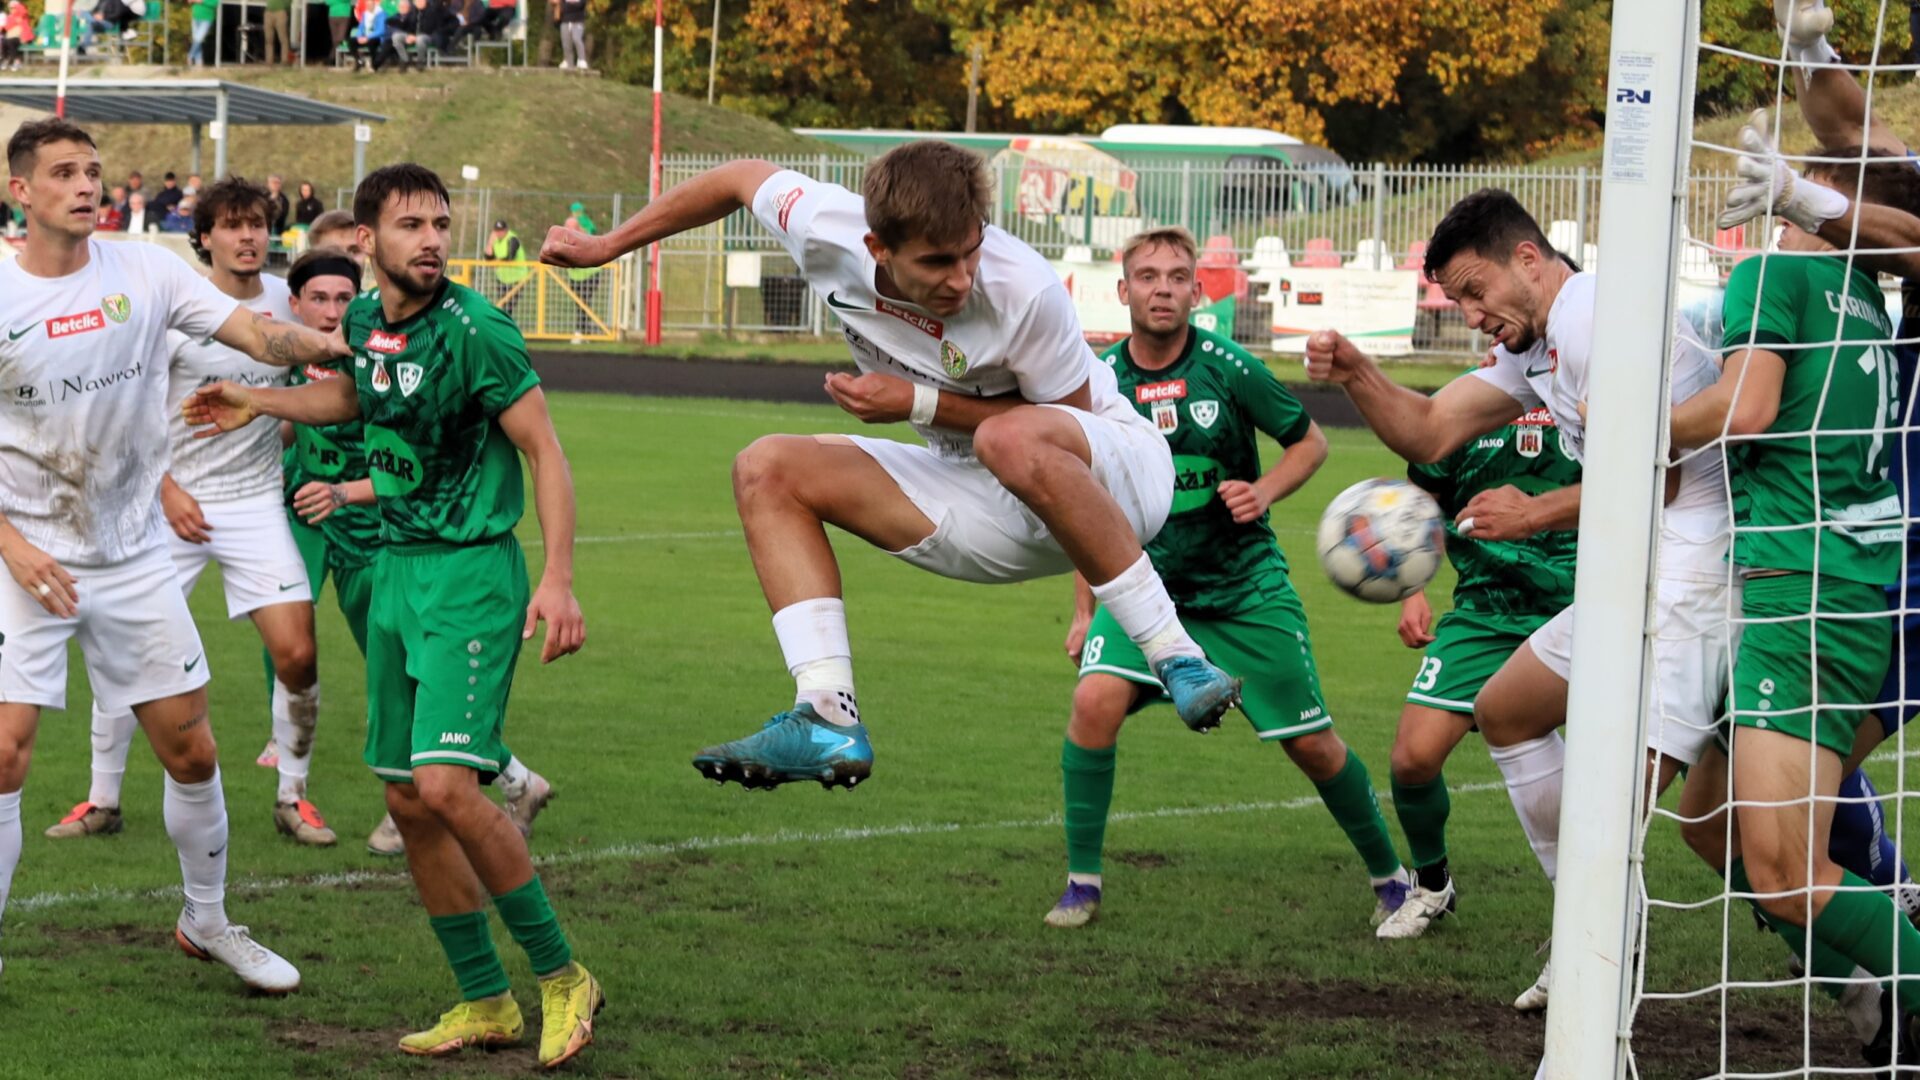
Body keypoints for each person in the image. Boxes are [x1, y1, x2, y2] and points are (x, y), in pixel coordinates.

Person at [542, 143, 1240, 789]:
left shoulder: (1024, 288)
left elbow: (1068, 442)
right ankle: (826, 715)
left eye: (971, 252)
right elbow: (737, 178)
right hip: (981, 502)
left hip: (1121, 482)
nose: (961, 278)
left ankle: (1175, 654)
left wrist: (920, 401)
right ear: (877, 246)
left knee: (1009, 442)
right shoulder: (825, 226)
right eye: (938, 262)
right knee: (766, 468)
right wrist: (609, 247)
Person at [185, 163, 599, 1066]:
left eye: (441, 224)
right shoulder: (367, 323)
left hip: (469, 575)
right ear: (368, 241)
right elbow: (353, 397)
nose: (434, 241)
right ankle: (485, 1000)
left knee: (450, 787)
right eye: (413, 225)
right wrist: (257, 399)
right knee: (409, 802)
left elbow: (545, 451)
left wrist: (557, 578)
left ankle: (563, 976)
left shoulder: (478, 329)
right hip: (396, 570)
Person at [1305, 188, 1735, 1012]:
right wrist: (1358, 371)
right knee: (1506, 710)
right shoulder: (1541, 342)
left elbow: (1663, 475)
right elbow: (1431, 432)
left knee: (1662, 819)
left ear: (1529, 261)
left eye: (1475, 292)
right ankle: (1593, 930)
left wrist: (1534, 511)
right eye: (1457, 300)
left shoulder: (1592, 323)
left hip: (1700, 578)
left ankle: (1864, 972)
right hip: (1646, 574)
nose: (1471, 316)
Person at [0, 116, 345, 991]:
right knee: (4, 752)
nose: (86, 185)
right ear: (21, 191)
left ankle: (209, 920)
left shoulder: (148, 273)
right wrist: (12, 548)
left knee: (192, 752)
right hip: (23, 560)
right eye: (65, 172)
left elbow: (262, 337)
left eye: (94, 170)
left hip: (133, 555)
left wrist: (336, 349)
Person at [1047, 227, 1409, 932]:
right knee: (1093, 704)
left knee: (1311, 743)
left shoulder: (1229, 366)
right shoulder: (1096, 382)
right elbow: (1080, 502)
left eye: (1178, 276)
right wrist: (1085, 610)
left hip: (1244, 590)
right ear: (1122, 291)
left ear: (1198, 292)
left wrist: (1265, 490)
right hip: (1145, 593)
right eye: (1147, 276)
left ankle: (1392, 878)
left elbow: (1310, 441)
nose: (1162, 288)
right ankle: (1081, 885)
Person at [1674, 149, 1920, 1072]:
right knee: (1707, 825)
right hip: (1843, 590)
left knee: (1787, 876)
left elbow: (1747, 404)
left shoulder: (1778, 270)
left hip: (1799, 592)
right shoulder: (1870, 299)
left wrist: (1634, 429)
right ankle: (1869, 998)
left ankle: (1903, 991)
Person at [48, 175, 334, 847]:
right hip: (163, 507)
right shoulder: (170, 301)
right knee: (127, 654)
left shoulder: (286, 305)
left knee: (297, 653)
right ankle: (102, 799)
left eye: (259, 224)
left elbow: (297, 401)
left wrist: (269, 426)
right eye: (233, 225)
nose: (249, 237)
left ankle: (294, 796)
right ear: (203, 237)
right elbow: (125, 410)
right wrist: (165, 487)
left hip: (255, 505)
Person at [272, 245, 556, 857]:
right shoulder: (340, 345)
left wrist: (348, 490)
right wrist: (255, 403)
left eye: (340, 297)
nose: (331, 311)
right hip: (335, 533)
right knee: (322, 657)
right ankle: (499, 786)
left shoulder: (453, 334)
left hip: (400, 540)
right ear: (294, 304)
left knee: (424, 688)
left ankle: (468, 799)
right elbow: (307, 418)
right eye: (317, 299)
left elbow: (428, 460)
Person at [1374, 389, 1579, 940]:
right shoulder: (1466, 403)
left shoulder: (1588, 387)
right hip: (1486, 611)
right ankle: (1432, 884)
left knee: (1625, 774)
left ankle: (1786, 896)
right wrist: (1411, 590)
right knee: (1412, 758)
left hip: (1586, 606)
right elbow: (1416, 507)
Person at [488, 218, 527, 320]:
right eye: (497, 231)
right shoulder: (495, 241)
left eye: (502, 230)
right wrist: (489, 243)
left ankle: (506, 327)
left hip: (517, 279)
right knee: (502, 307)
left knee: (509, 307)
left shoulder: (512, 238)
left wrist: (497, 261)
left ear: (506, 230)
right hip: (502, 279)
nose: (499, 233)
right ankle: (504, 326)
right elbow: (488, 257)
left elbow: (511, 256)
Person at [380, 0, 421, 71]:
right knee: (390, 40)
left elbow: (411, 27)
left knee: (395, 37)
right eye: (401, 7)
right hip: (396, 36)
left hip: (410, 36)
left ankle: (404, 60)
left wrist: (410, 34)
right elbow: (388, 21)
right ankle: (404, 59)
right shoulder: (396, 15)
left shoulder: (412, 16)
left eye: (405, 7)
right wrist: (399, 24)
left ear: (409, 7)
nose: (402, 8)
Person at [347, 0, 385, 70]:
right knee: (351, 41)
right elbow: (361, 27)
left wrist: (367, 37)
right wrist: (359, 37)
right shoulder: (365, 14)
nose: (368, 7)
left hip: (377, 37)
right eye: (367, 5)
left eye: (370, 5)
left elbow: (381, 30)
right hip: (365, 37)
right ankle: (359, 61)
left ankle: (374, 64)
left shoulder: (381, 13)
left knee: (372, 43)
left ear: (374, 5)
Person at [553, 0, 584, 71]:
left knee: (577, 38)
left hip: (577, 21)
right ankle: (568, 61)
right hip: (565, 21)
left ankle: (581, 59)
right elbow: (560, 5)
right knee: (566, 42)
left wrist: (568, 6)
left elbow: (580, 5)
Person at [2, 0, 32, 70]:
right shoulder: (10, 17)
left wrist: (17, 5)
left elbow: (23, 11)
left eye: (13, 8)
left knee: (11, 42)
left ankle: (17, 61)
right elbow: (7, 27)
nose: (12, 10)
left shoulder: (23, 16)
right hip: (12, 37)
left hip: (23, 37)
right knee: (4, 42)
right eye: (10, 8)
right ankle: (6, 60)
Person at [188, 0, 212, 64]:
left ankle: (190, 55)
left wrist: (202, 1)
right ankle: (199, 60)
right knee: (196, 39)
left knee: (198, 38)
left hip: (207, 18)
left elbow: (215, 3)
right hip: (195, 17)